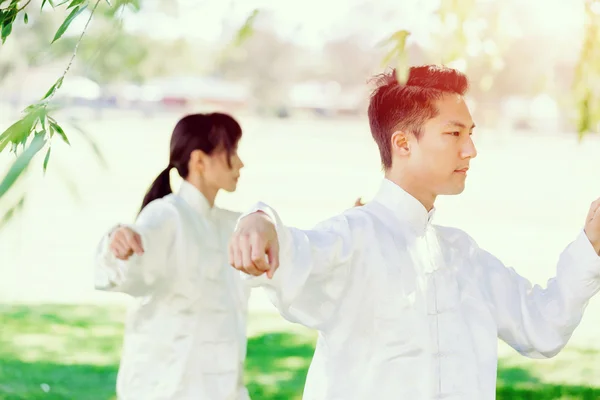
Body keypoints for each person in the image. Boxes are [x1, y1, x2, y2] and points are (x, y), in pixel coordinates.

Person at [228, 65, 600, 399]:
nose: (470, 150)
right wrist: (259, 220)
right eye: (454, 133)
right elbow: (293, 249)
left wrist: (591, 246)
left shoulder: (463, 254)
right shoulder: (354, 238)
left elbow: (543, 327)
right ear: (403, 143)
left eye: (470, 134)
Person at [94, 113, 251, 400]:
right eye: (231, 151)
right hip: (168, 387)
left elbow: (287, 247)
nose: (240, 163)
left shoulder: (231, 224)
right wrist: (117, 243)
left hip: (222, 387)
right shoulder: (167, 215)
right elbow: (125, 265)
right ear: (199, 161)